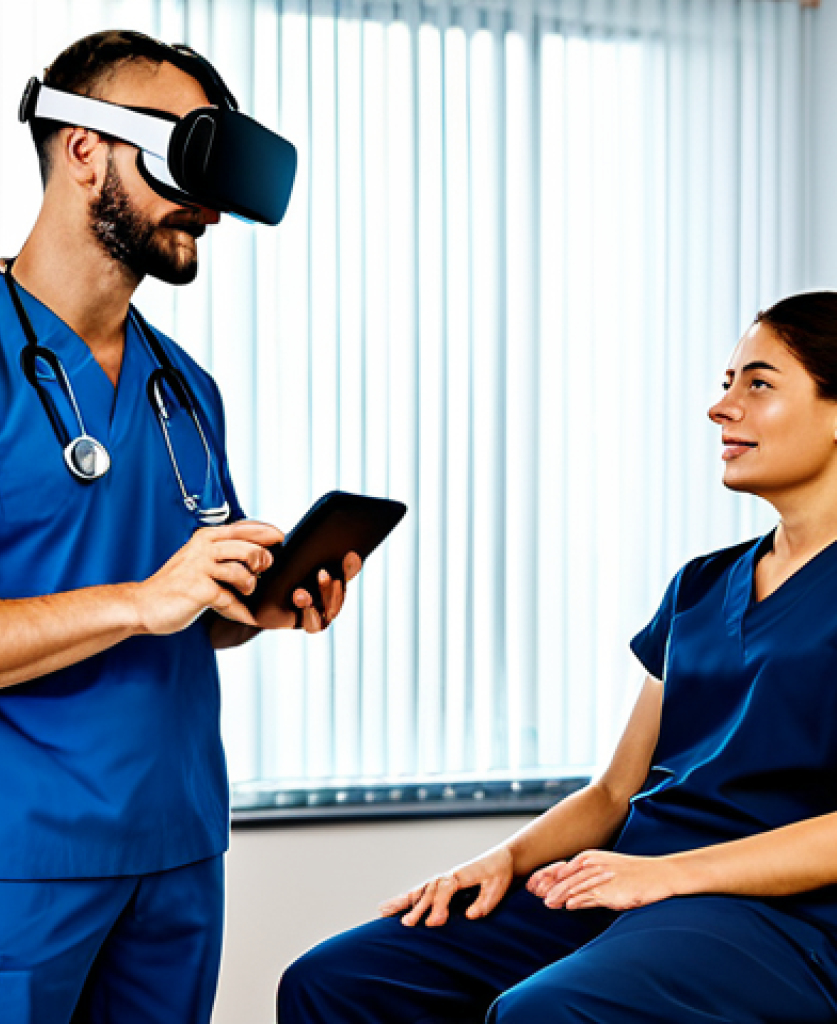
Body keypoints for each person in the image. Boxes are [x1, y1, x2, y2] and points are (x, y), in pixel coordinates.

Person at [0, 29, 358, 1024]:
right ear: (83, 149)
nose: (207, 199)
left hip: (174, 851)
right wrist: (142, 599)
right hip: (0, 861)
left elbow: (187, 615)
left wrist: (259, 608)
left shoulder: (184, 390)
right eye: (183, 151)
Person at [278, 292, 837, 1023]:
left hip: (775, 917)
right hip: (629, 882)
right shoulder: (702, 585)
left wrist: (664, 877)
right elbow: (613, 794)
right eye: (726, 381)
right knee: (335, 980)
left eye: (757, 383)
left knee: (542, 1012)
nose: (720, 407)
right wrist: (506, 861)